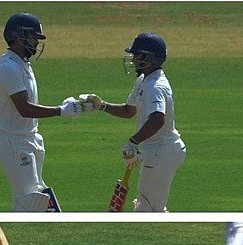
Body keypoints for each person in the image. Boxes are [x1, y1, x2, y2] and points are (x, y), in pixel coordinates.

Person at [80, 32, 186, 212]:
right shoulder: (143, 80)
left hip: (162, 151)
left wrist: (132, 142)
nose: (133, 59)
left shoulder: (156, 86)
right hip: (156, 151)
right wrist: (101, 106)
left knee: (147, 208)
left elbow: (157, 119)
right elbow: (129, 111)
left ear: (149, 57)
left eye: (137, 55)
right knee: (148, 206)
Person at [0, 12, 83, 212]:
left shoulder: (22, 64)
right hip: (14, 141)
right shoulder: (9, 67)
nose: (36, 42)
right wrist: (61, 111)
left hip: (29, 138)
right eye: (33, 37)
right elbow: (24, 108)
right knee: (29, 199)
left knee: (36, 197)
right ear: (18, 35)